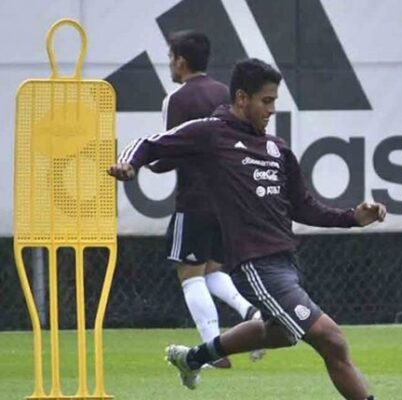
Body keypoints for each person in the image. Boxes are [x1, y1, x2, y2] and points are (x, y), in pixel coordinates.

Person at [109, 58, 386, 400]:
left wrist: (351, 217)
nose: (271, 109)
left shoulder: (277, 149)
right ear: (242, 98)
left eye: (274, 101)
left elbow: (302, 206)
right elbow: (151, 144)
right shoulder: (211, 133)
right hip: (255, 263)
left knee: (281, 334)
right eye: (266, 101)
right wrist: (129, 164)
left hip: (285, 262)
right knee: (332, 341)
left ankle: (193, 358)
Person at [149, 30, 263, 367]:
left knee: (190, 275)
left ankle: (214, 348)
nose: (170, 64)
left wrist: (151, 163)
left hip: (195, 199)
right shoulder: (226, 94)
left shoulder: (178, 99)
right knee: (213, 270)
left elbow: (170, 149)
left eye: (170, 58)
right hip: (228, 200)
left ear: (180, 61)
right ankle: (252, 314)